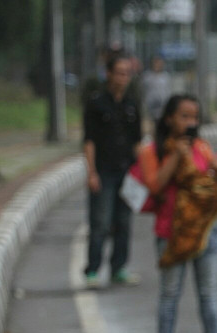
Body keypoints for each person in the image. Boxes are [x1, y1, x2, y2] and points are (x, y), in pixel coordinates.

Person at [137, 94, 217, 333]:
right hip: (171, 233)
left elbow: (213, 187)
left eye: (194, 117)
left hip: (205, 231)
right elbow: (154, 186)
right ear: (169, 118)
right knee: (169, 293)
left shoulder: (202, 147)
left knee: (208, 292)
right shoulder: (152, 150)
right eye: (184, 116)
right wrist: (176, 155)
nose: (190, 122)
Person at [82, 53, 142, 288]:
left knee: (124, 222)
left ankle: (119, 267)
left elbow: (137, 141)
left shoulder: (131, 105)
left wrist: (141, 173)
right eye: (119, 72)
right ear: (108, 74)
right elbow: (89, 141)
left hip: (127, 171)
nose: (123, 77)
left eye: (127, 73)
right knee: (101, 223)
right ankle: (93, 270)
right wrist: (91, 172)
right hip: (104, 171)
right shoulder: (96, 103)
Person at [142, 56, 171, 122]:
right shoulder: (147, 76)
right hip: (150, 104)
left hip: (162, 103)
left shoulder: (165, 76)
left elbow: (167, 90)